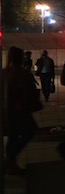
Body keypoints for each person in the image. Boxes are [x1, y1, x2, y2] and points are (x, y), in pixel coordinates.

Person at [5, 46, 40, 175]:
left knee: (12, 136)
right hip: (19, 110)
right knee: (29, 131)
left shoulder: (5, 72)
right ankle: (9, 161)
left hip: (7, 109)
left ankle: (11, 163)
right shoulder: (21, 73)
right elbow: (27, 91)